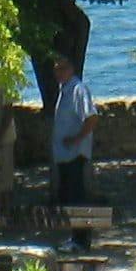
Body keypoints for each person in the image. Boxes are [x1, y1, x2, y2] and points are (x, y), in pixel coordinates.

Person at [49, 60, 96, 209]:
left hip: (75, 154)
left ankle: (81, 231)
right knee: (66, 198)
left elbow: (92, 118)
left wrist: (77, 139)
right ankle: (73, 231)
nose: (58, 73)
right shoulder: (64, 89)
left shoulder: (78, 90)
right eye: (56, 70)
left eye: (62, 69)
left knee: (76, 200)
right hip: (63, 154)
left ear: (71, 69)